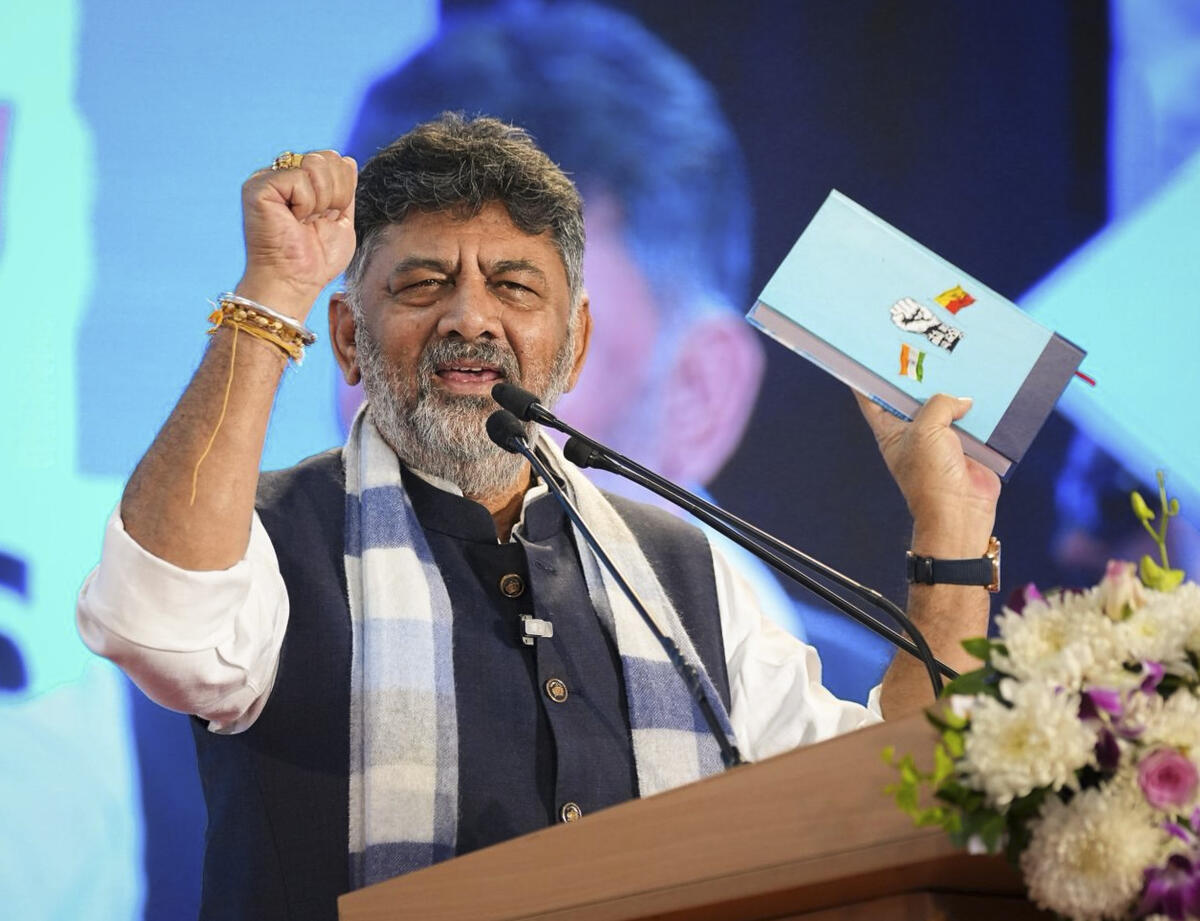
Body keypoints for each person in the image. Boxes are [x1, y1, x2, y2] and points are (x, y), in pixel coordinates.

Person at [77, 114, 998, 921]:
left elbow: (897, 789)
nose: (470, 317)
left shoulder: (683, 568)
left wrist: (948, 535)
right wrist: (273, 290)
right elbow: (155, 617)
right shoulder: (272, 539)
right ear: (350, 341)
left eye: (515, 287)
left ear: (576, 341)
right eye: (423, 284)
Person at [335, 1, 895, 699]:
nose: (423, 395)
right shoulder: (239, 667)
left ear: (698, 394)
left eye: (519, 310)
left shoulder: (900, 741)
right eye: (405, 299)